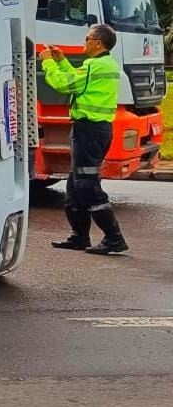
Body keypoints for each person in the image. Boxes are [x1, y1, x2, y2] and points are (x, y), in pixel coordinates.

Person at [41, 24, 128, 255]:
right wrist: (62, 61)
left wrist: (48, 61)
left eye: (88, 38)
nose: (84, 42)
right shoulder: (105, 64)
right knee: (74, 186)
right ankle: (80, 237)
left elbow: (65, 84)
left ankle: (114, 238)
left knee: (87, 186)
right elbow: (80, 83)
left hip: (90, 131)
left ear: (98, 43)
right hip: (93, 130)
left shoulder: (94, 65)